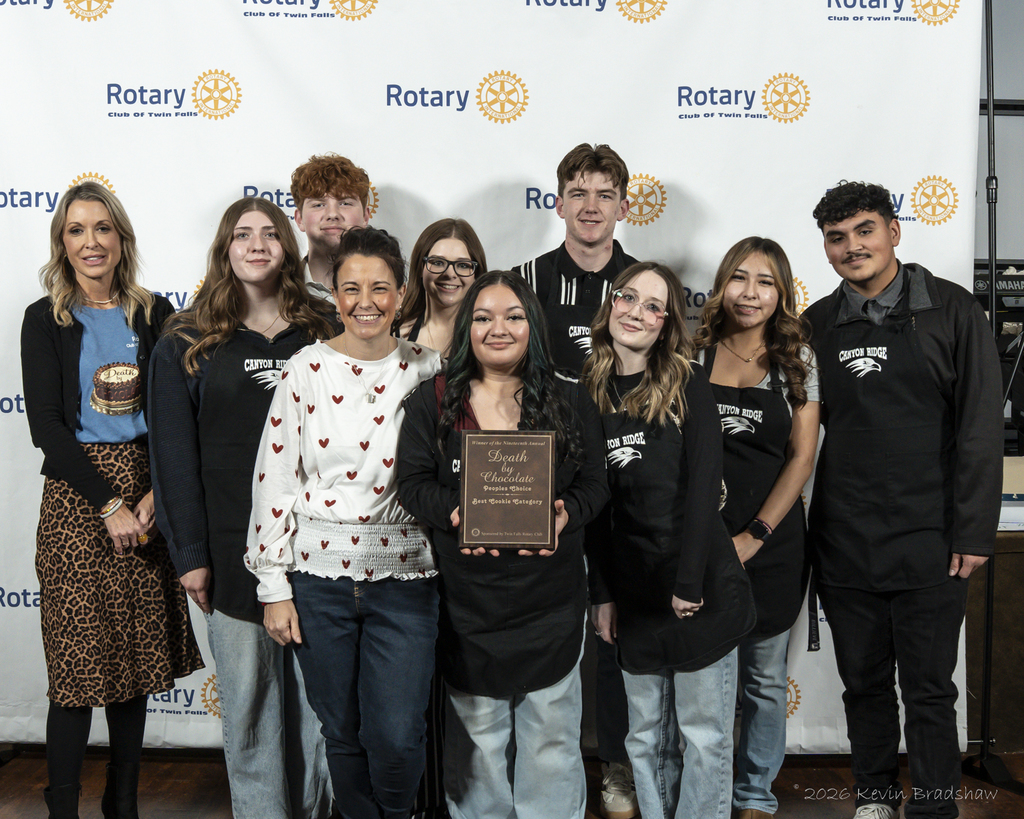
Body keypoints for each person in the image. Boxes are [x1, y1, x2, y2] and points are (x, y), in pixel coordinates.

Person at [804, 181, 1002, 819]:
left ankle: (936, 806)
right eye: (837, 238)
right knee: (861, 684)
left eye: (865, 230)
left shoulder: (953, 312)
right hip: (844, 538)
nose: (851, 247)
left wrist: (972, 534)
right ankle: (875, 799)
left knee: (927, 689)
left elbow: (978, 430)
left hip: (932, 538)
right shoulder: (814, 325)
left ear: (894, 231)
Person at [149, 197, 337, 819]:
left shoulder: (324, 328)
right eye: (241, 234)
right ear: (224, 248)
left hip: (318, 549)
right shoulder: (186, 336)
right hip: (230, 552)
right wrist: (191, 556)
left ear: (287, 246)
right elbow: (173, 459)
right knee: (252, 705)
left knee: (315, 708)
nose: (256, 245)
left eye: (269, 235)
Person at [245, 226, 442, 819]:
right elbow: (274, 478)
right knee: (342, 730)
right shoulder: (305, 369)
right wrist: (274, 587)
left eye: (380, 288)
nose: (365, 302)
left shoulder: (432, 371)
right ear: (333, 293)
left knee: (399, 735)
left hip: (407, 581)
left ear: (403, 294)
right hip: (319, 583)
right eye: (351, 288)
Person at [20, 182, 203, 819]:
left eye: (103, 228)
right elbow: (47, 426)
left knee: (133, 655)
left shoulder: (157, 312)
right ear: (61, 243)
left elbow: (175, 413)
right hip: (77, 498)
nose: (91, 241)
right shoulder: (44, 319)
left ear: (121, 238)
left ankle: (121, 804)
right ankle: (62, 807)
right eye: (76, 230)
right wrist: (109, 504)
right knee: (77, 665)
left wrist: (157, 491)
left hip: (150, 484)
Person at [397, 270, 609, 819]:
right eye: (485, 317)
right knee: (479, 742)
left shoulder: (569, 398)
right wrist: (455, 513)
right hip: (468, 600)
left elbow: (595, 486)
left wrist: (567, 516)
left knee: (551, 738)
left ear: (532, 326)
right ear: (467, 327)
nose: (499, 329)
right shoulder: (433, 401)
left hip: (552, 598)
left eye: (513, 316)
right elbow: (413, 484)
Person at [584, 262, 755, 819]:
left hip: (696, 586)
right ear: (612, 303)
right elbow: (593, 508)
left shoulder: (688, 383)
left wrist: (689, 583)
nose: (636, 311)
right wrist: (603, 594)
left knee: (704, 735)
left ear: (666, 323)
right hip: (634, 595)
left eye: (652, 305)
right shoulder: (587, 390)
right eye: (627, 297)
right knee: (644, 737)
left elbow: (707, 488)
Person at [511, 142, 638, 819]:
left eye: (604, 192)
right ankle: (531, 764)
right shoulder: (524, 277)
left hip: (626, 478)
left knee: (617, 624)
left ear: (624, 203)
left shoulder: (645, 281)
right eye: (579, 192)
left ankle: (618, 763)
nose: (591, 206)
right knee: (543, 622)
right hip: (545, 480)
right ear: (558, 202)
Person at [693, 238, 819, 819]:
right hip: (699, 544)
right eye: (739, 278)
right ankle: (710, 795)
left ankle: (753, 796)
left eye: (765, 282)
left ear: (781, 293)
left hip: (771, 544)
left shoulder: (799, 361)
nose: (750, 293)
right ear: (722, 285)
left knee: (765, 680)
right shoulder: (692, 354)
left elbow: (801, 457)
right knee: (705, 681)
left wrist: (757, 534)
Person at [399, 218, 487, 356]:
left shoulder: (488, 336)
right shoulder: (394, 334)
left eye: (463, 265)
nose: (449, 274)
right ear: (420, 268)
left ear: (477, 274)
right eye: (438, 262)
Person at [291, 153, 372, 302]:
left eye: (345, 203)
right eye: (319, 205)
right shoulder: (279, 289)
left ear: (365, 217)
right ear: (299, 219)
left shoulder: (390, 290)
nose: (333, 214)